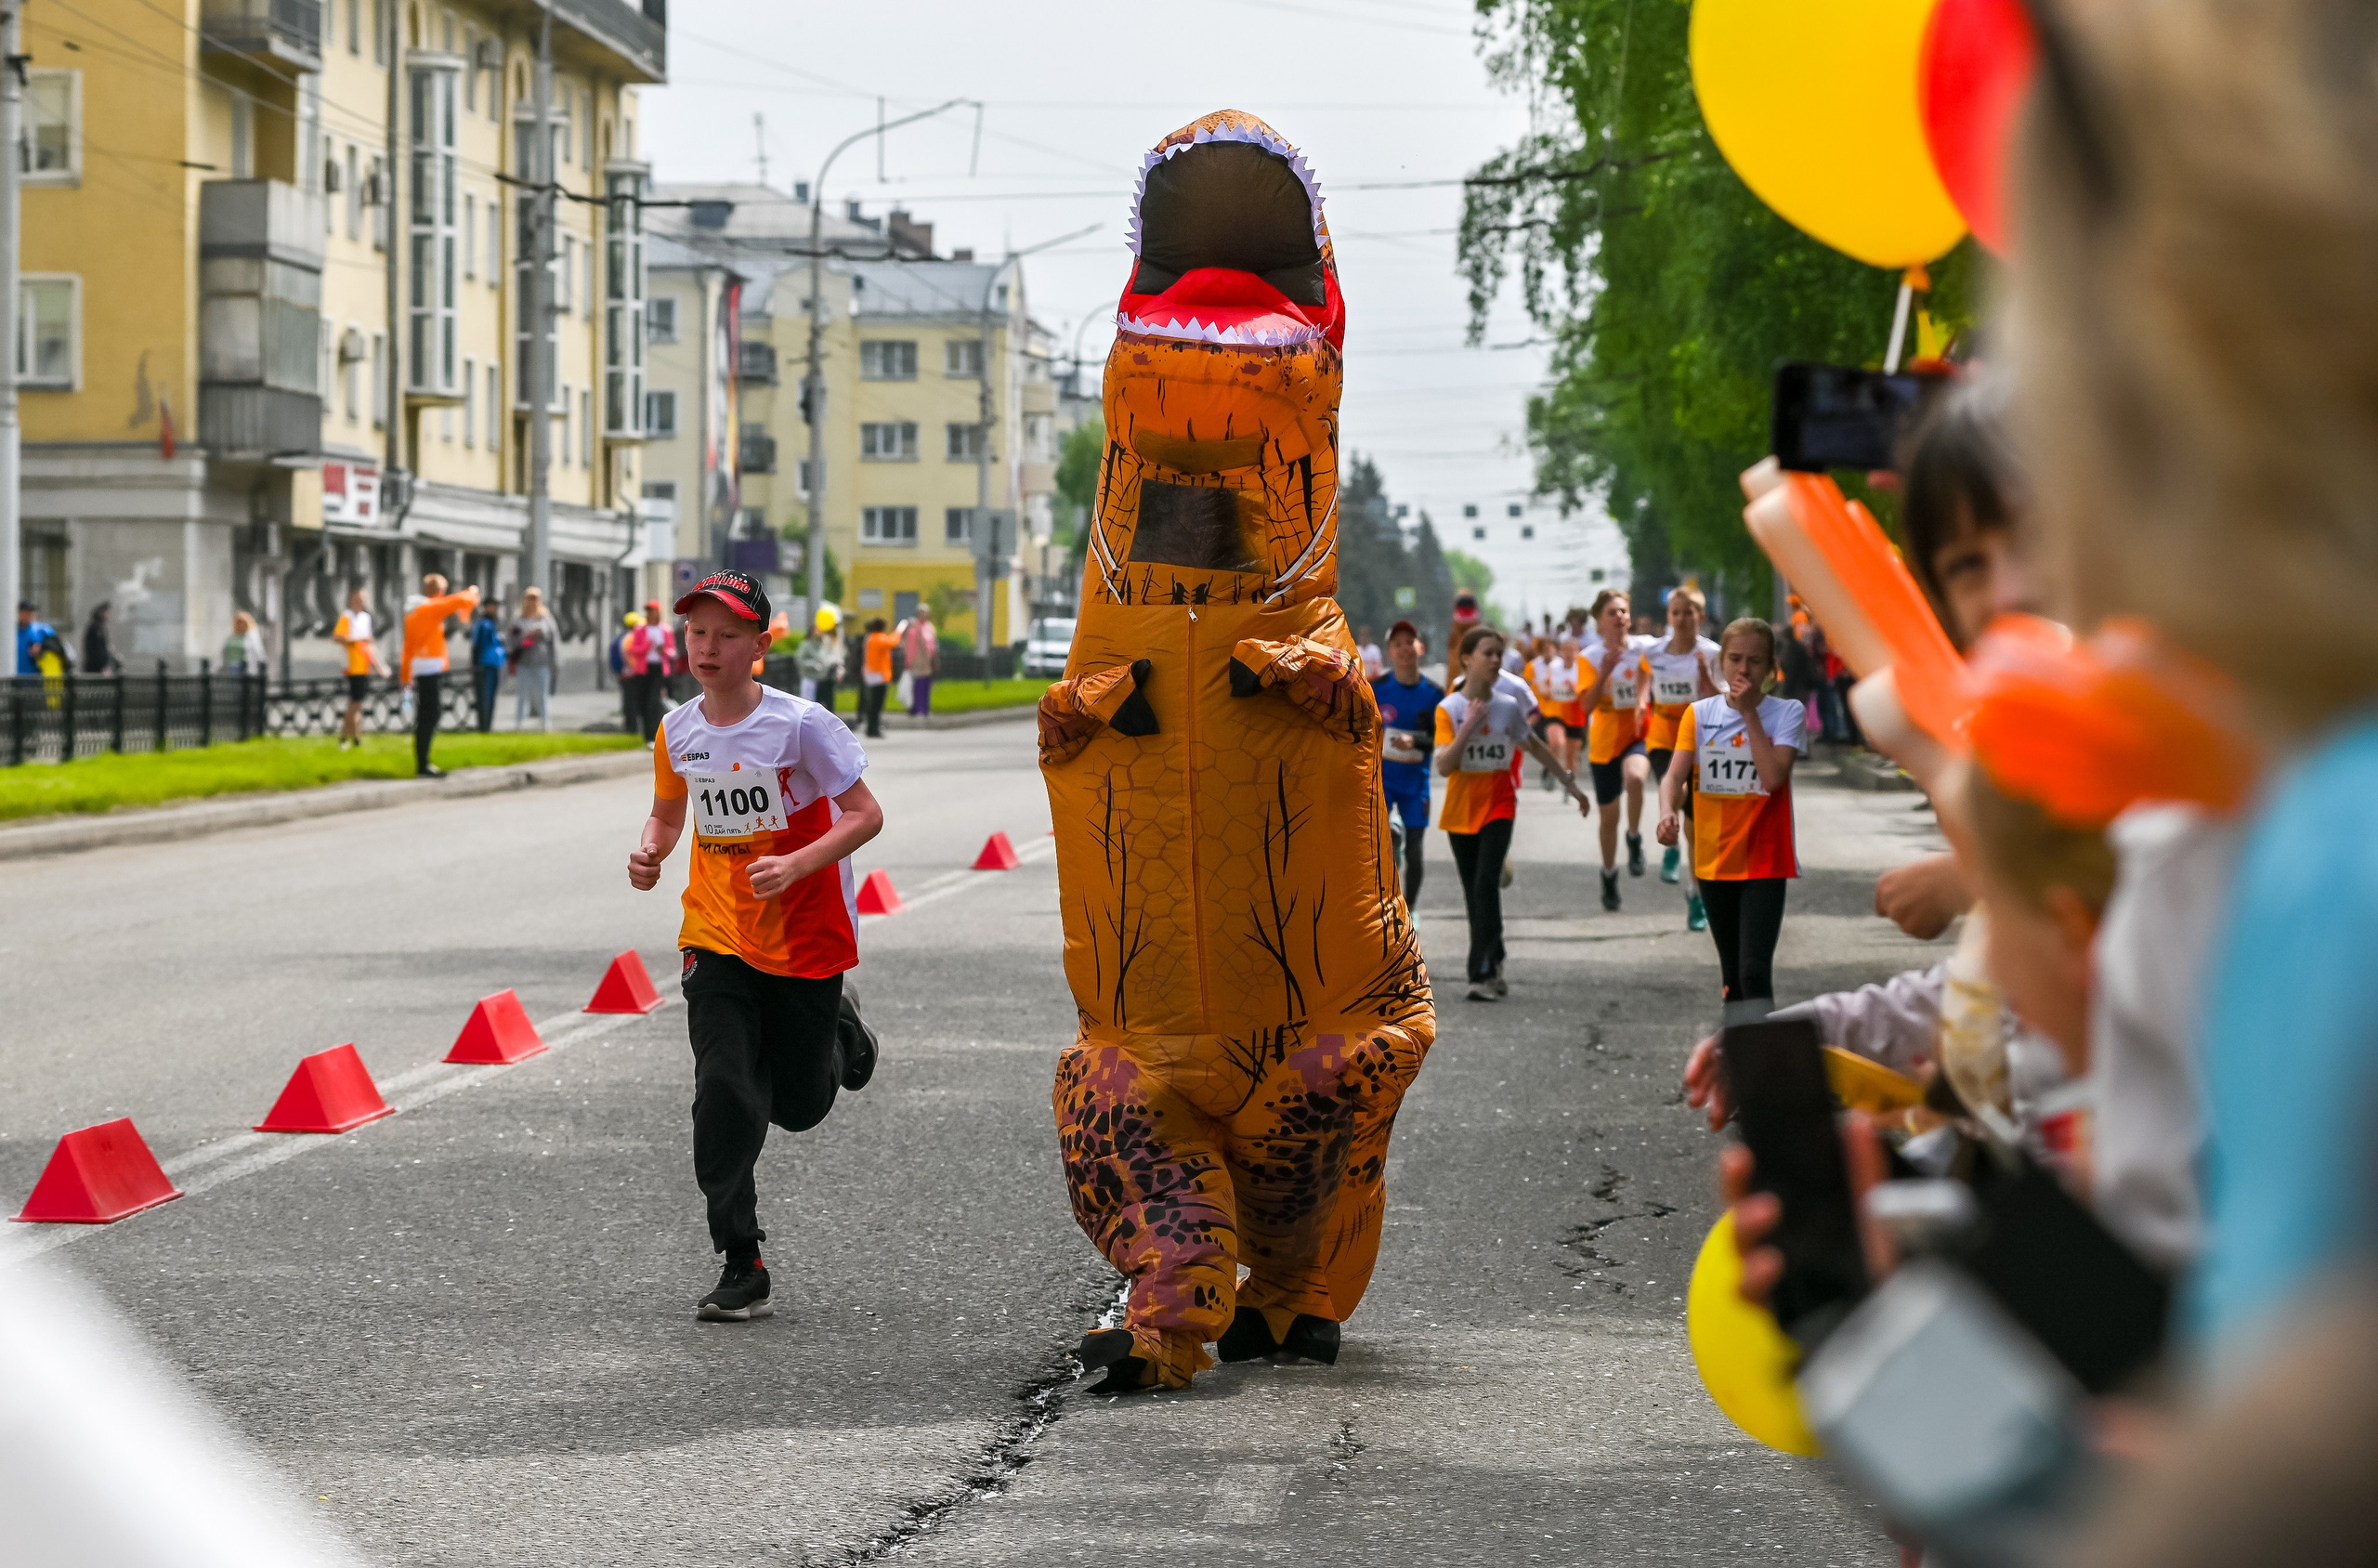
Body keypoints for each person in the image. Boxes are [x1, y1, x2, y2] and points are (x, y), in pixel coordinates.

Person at [625, 568, 884, 1322]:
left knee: (799, 1107)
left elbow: (865, 815)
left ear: (760, 646)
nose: (708, 647)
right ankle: (742, 1259)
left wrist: (801, 863)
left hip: (806, 936)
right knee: (726, 1090)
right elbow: (668, 817)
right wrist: (649, 850)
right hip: (716, 933)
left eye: (728, 634)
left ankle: (840, 1029)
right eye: (698, 631)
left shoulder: (803, 726)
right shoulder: (677, 730)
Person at [1655, 616, 1801, 1026]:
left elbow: (1773, 778)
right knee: (1733, 975)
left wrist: (1749, 715)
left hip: (1765, 861)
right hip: (1715, 859)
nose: (1743, 670)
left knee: (1755, 971)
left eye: (1755, 662)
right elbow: (1674, 776)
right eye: (1735, 659)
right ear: (1721, 663)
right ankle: (1740, 1063)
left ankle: (1763, 1066)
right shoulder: (1699, 715)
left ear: (1771, 668)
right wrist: (1667, 811)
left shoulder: (1787, 713)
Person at [1437, 624, 1594, 1000]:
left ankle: (1481, 972)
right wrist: (1469, 727)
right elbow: (1444, 765)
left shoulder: (1507, 708)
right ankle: (1497, 953)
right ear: (1466, 659)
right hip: (1460, 812)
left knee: (1484, 884)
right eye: (1488, 653)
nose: (1495, 660)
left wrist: (1570, 784)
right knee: (1473, 892)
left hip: (1499, 805)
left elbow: (1537, 747)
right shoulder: (1450, 709)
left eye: (1499, 654)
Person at [1644, 586, 1720, 928]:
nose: (1682, 618)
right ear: (1669, 617)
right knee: (1676, 788)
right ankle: (1669, 843)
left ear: (1700, 617)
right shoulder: (1654, 652)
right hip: (1663, 738)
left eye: (1689, 612)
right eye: (1676, 612)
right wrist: (1637, 705)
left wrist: (1705, 677)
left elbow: (1724, 697)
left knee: (1695, 827)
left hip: (1701, 743)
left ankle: (1695, 895)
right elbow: (1644, 680)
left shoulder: (1714, 653)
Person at [1579, 588, 1654, 911]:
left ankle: (1635, 838)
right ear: (1599, 621)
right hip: (1604, 745)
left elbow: (1649, 676)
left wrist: (1641, 700)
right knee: (1609, 818)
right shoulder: (1590, 658)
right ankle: (1609, 875)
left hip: (1637, 734)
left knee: (1636, 779)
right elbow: (1585, 705)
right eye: (1612, 612)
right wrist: (1605, 673)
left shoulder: (1645, 648)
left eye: (1623, 611)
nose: (1620, 617)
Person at [1372, 619, 1444, 907]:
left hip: (1416, 782)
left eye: (1409, 643)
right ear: (1389, 652)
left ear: (1420, 648)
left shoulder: (1435, 694)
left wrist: (1417, 743)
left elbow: (1442, 739)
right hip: (1382, 780)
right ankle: (1384, 905)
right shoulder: (1376, 689)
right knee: (1379, 849)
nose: (1404, 649)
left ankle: (1411, 910)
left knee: (1415, 852)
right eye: (1397, 644)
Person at [399, 574, 480, 777]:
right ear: (439, 591)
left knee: (427, 714)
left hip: (420, 665)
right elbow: (461, 600)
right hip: (429, 666)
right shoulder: (429, 608)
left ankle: (422, 762)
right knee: (430, 714)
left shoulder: (413, 612)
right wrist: (472, 591)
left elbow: (408, 645)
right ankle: (423, 764)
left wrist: (405, 673)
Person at [331, 588, 381, 750]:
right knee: (355, 702)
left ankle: (354, 737)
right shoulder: (347, 616)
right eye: (358, 599)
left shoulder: (366, 618)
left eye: (363, 600)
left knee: (357, 703)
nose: (361, 603)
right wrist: (357, 640)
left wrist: (375, 663)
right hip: (352, 665)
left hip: (363, 665)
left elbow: (368, 644)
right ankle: (347, 737)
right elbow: (338, 637)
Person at [507, 585, 559, 733]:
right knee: (522, 694)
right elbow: (511, 640)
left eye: (535, 599)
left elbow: (553, 640)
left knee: (543, 695)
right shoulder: (519, 619)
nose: (532, 602)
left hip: (541, 661)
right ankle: (518, 724)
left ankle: (546, 724)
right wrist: (524, 637)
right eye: (529, 599)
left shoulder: (546, 617)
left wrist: (555, 662)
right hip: (524, 661)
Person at [795, 609, 843, 718]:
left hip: (821, 679)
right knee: (807, 703)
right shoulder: (806, 645)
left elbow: (830, 657)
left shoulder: (823, 645)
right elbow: (800, 659)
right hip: (809, 677)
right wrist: (813, 665)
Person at [468, 602, 506, 734]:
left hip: (494, 663)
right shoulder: (483, 624)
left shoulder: (494, 624)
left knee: (490, 697)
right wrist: (475, 664)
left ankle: (487, 726)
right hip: (485, 664)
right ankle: (484, 727)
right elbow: (476, 645)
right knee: (485, 697)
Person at [856, 616, 895, 738]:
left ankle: (870, 727)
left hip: (871, 674)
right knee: (877, 704)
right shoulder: (879, 638)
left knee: (871, 703)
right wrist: (899, 631)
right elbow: (893, 642)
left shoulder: (869, 638)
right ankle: (873, 728)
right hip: (879, 675)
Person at [900, 604, 939, 719]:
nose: (925, 615)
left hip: (928, 661)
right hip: (917, 661)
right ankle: (917, 709)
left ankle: (925, 708)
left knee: (926, 685)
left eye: (926, 613)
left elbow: (933, 643)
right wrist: (909, 661)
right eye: (923, 613)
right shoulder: (914, 628)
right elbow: (910, 647)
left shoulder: (929, 627)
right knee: (917, 686)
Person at [15, 600, 66, 677]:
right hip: (16, 676)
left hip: (36, 676)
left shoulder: (42, 629)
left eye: (31, 612)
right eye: (26, 612)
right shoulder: (12, 632)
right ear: (19, 614)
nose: (30, 615)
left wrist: (41, 647)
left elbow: (57, 645)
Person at [219, 610, 266, 675]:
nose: (240, 624)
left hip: (243, 669)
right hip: (228, 668)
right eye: (238, 622)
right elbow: (222, 653)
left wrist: (262, 664)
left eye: (243, 622)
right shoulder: (231, 637)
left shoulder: (252, 637)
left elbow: (259, 652)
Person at [80, 603, 118, 677]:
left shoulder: (98, 626)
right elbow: (99, 649)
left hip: (95, 666)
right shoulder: (97, 627)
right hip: (96, 668)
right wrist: (104, 666)